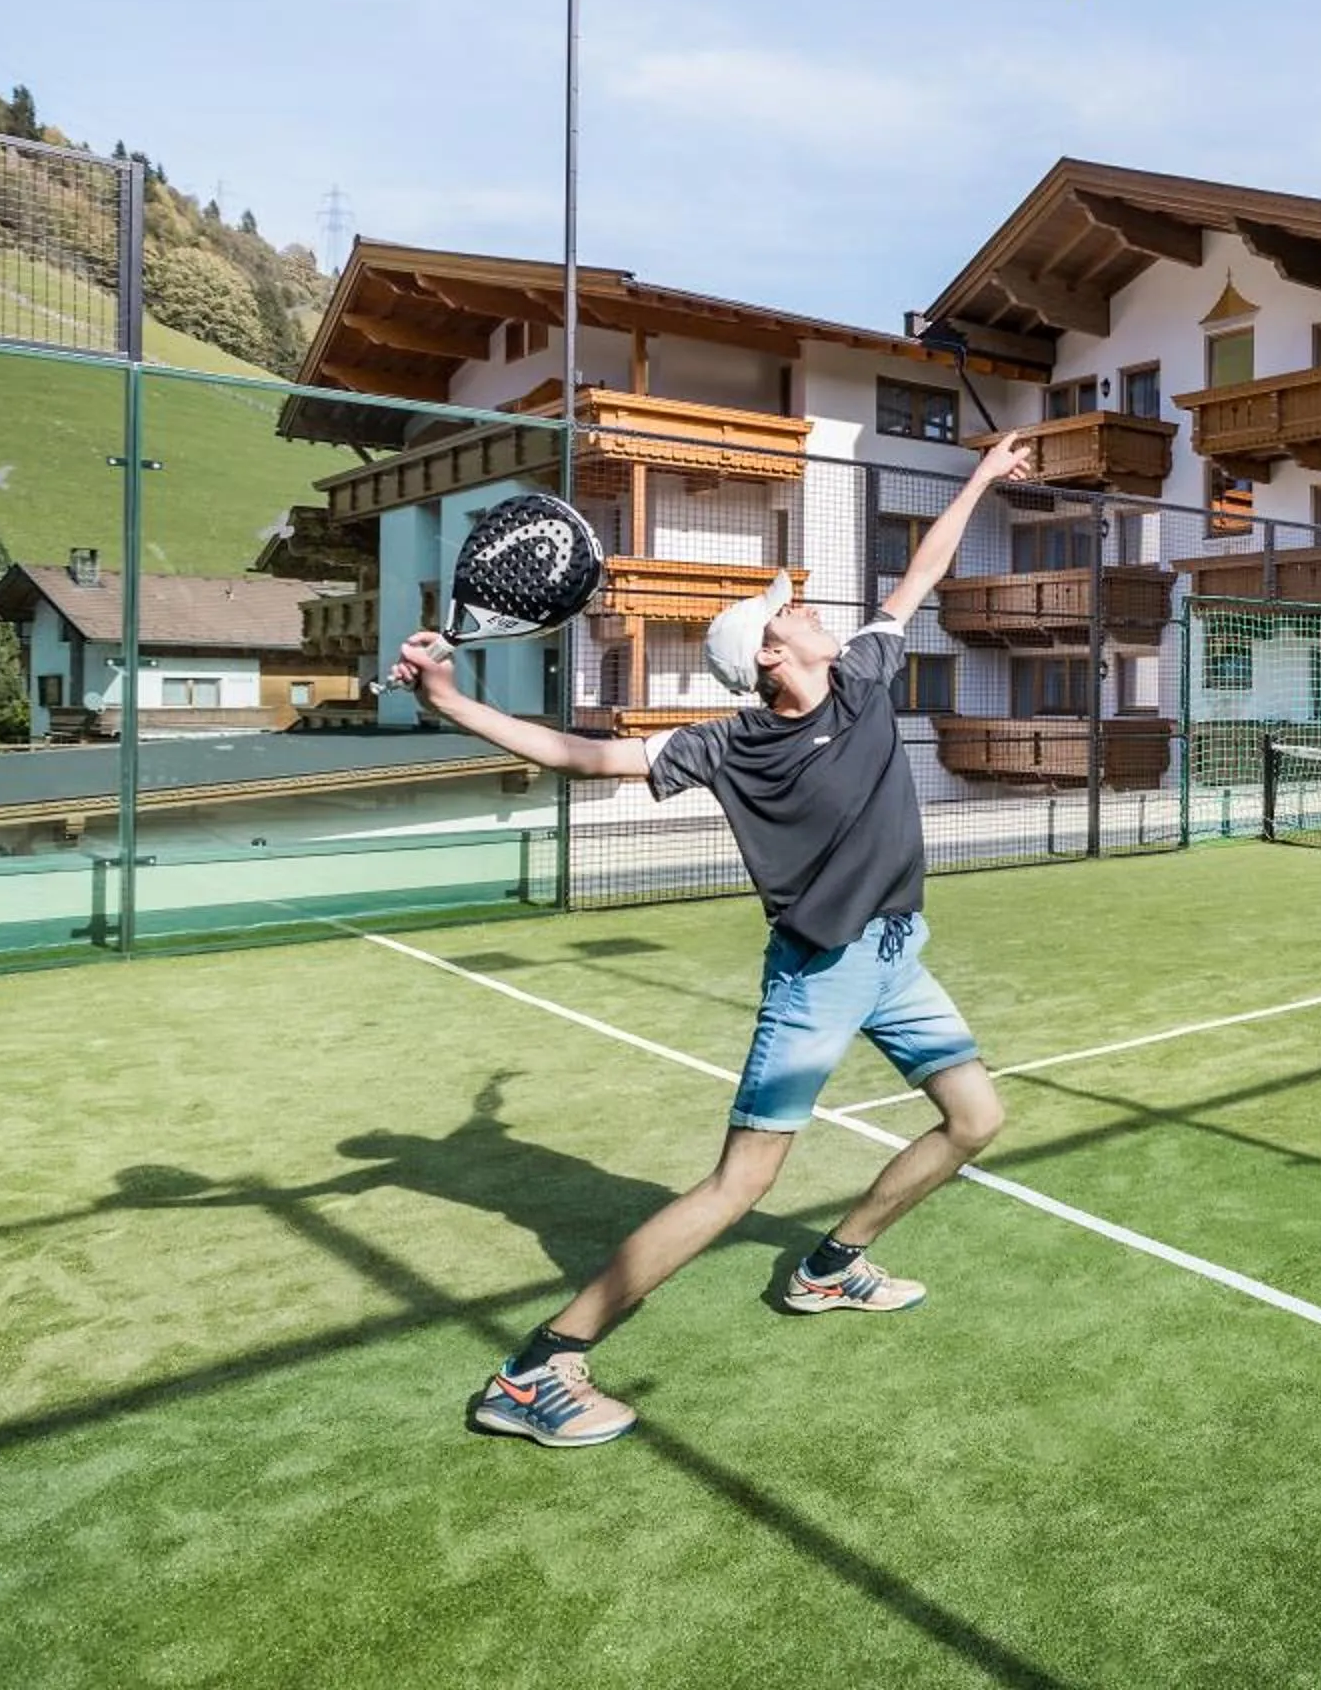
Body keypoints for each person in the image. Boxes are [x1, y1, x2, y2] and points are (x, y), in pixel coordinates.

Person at [390, 434, 1035, 1448]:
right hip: (819, 976)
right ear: (774, 657)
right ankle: (537, 1367)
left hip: (895, 954)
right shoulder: (728, 746)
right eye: (791, 611)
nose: (809, 607)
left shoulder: (866, 671)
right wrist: (455, 701)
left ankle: (830, 1267)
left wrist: (981, 478)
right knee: (741, 1183)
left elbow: (924, 568)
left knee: (974, 1116)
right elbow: (584, 755)